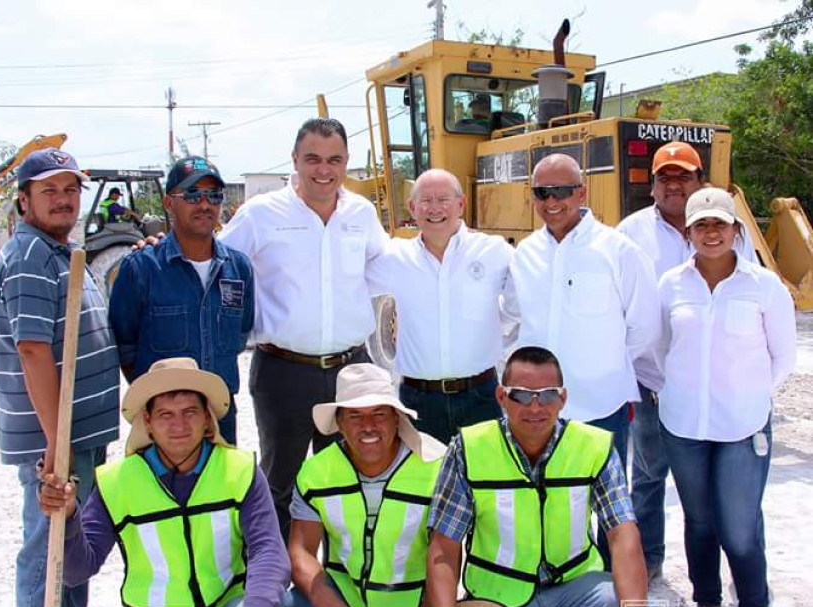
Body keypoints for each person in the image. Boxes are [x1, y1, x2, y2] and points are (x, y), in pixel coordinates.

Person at [38, 358, 292, 607]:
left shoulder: (239, 470)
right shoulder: (118, 482)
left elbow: (269, 551)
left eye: (190, 412)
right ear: (147, 421)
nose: (179, 425)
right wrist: (67, 517)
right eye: (165, 415)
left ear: (207, 418)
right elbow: (77, 570)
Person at [426, 346, 652, 607]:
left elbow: (624, 536)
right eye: (521, 395)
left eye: (547, 395)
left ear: (563, 399)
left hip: (574, 587)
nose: (535, 407)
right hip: (498, 596)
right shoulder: (468, 448)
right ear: (501, 397)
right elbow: (443, 547)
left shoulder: (594, 446)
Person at [219, 118, 388, 540]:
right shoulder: (261, 214)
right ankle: (278, 574)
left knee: (348, 482)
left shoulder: (362, 214)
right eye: (312, 158)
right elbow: (215, 263)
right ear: (294, 159)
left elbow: (387, 267)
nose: (323, 170)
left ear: (347, 162)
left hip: (351, 372)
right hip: (284, 373)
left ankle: (339, 574)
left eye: (334, 160)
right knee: (280, 484)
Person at [0, 148, 121, 607]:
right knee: (47, 549)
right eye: (49, 191)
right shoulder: (30, 258)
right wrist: (55, 442)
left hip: (78, 432)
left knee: (73, 538)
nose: (63, 200)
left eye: (70, 190)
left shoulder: (62, 252)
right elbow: (32, 350)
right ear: (24, 201)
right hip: (57, 436)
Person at [656, 187, 795, 607]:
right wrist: (675, 391)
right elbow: (658, 348)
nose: (711, 232)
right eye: (701, 225)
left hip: (742, 427)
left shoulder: (764, 287)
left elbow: (784, 356)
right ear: (689, 233)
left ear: (736, 230)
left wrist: (749, 395)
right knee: (699, 523)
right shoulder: (671, 285)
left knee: (738, 528)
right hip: (683, 427)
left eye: (720, 223)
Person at [503, 153, 659, 565]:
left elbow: (644, 325)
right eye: (542, 192)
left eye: (562, 191)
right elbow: (515, 318)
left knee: (611, 516)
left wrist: (603, 365)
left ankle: (613, 592)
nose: (552, 201)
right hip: (539, 412)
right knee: (550, 512)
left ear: (582, 192)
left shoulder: (617, 250)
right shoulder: (525, 254)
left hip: (601, 409)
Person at [617, 142, 758, 582]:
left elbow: (755, 294)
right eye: (665, 177)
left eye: (684, 176)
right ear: (652, 186)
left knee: (728, 487)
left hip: (718, 386)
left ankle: (742, 572)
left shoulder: (734, 233)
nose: (674, 185)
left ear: (701, 181)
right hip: (652, 381)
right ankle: (649, 559)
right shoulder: (629, 233)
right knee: (647, 474)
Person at [284, 363, 444, 607]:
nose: (368, 426)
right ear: (339, 423)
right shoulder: (316, 472)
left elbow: (444, 564)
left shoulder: (435, 467)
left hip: (412, 604)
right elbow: (300, 551)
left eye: (379, 414)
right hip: (346, 594)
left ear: (397, 419)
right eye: (355, 416)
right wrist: (322, 597)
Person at [110, 156, 254, 445]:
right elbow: (124, 345)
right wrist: (159, 402)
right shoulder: (142, 269)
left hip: (220, 418)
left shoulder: (238, 268)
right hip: (164, 424)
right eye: (192, 194)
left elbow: (240, 334)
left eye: (213, 195)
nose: (205, 204)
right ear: (168, 203)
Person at [368, 168, 512, 443]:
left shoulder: (493, 251)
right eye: (426, 200)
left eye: (443, 199)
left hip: (481, 397)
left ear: (461, 204)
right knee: (424, 472)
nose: (435, 208)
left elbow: (526, 294)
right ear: (412, 208)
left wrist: (497, 324)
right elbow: (348, 283)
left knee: (482, 470)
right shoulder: (395, 257)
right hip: (419, 401)